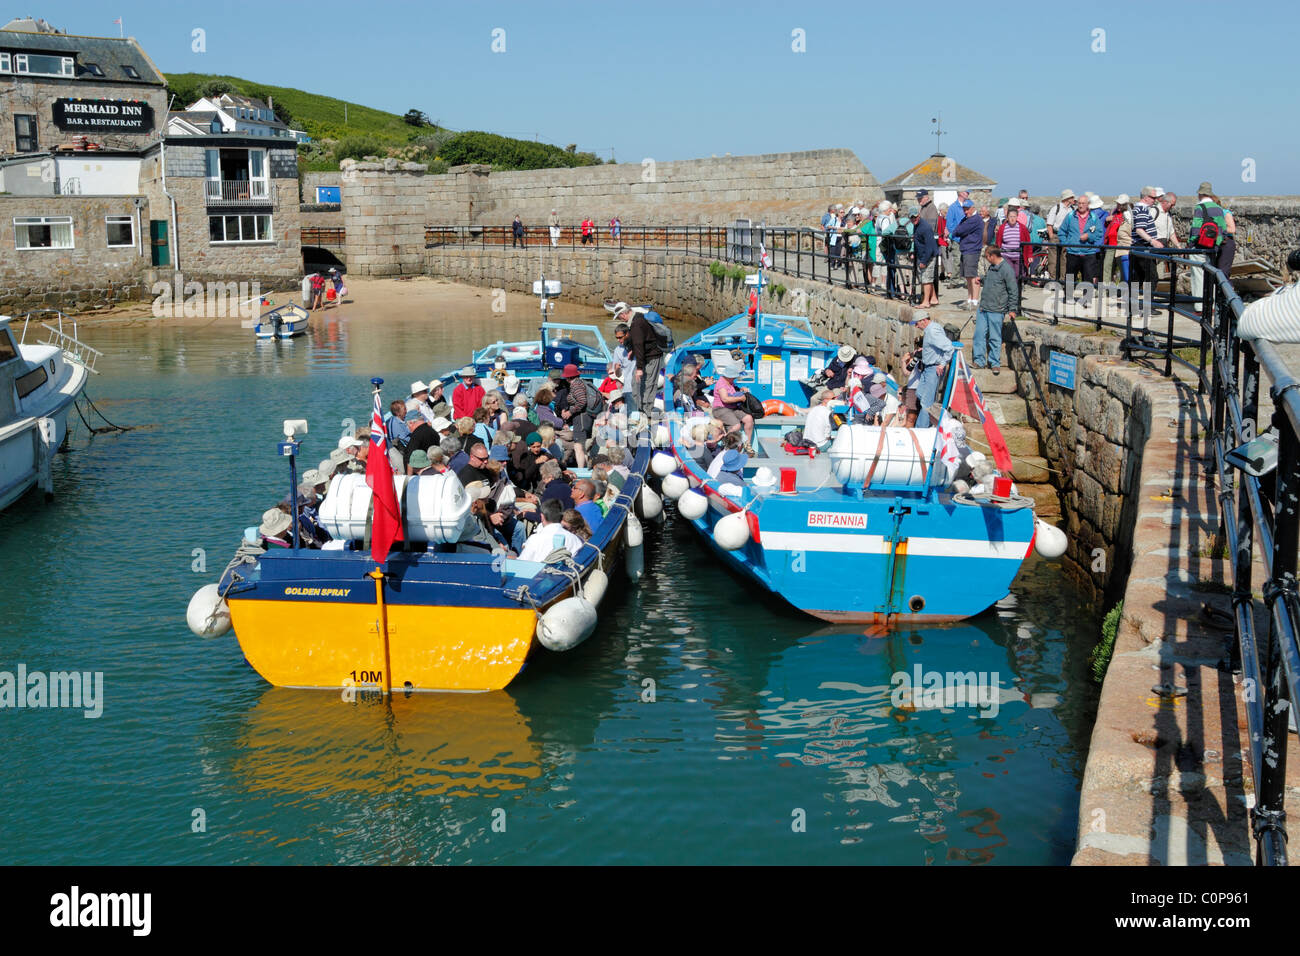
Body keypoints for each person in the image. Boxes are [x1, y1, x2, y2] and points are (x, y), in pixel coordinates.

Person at [975, 247, 1017, 373]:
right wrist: (981, 279)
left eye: (987, 257)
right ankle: (979, 361)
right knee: (979, 335)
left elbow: (1013, 290)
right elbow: (990, 280)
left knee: (995, 337)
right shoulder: (991, 268)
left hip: (997, 310)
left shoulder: (1006, 269)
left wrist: (1012, 308)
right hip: (984, 308)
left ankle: (995, 363)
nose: (986, 260)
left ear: (992, 256)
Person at [1188, 182, 1229, 304]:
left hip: (1199, 247)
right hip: (1213, 248)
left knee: (1198, 276)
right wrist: (1216, 244)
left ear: (1200, 194)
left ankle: (1200, 306)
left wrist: (1191, 244)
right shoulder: (1218, 208)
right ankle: (1211, 302)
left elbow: (1196, 229)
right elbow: (1223, 228)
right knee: (1211, 275)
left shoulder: (1199, 208)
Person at [912, 312, 954, 429]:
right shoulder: (930, 329)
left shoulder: (932, 331)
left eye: (917, 323)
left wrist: (942, 363)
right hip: (927, 367)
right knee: (919, 393)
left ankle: (921, 429)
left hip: (934, 368)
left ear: (924, 320)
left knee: (926, 403)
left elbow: (949, 348)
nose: (916, 326)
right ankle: (931, 421)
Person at [518, 499, 584, 562]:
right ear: (561, 518)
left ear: (542, 517)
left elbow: (522, 564)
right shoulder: (575, 540)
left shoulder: (535, 539)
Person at [1058, 193, 1104, 283]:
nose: (1081, 205)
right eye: (1079, 203)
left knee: (1088, 282)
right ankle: (1068, 297)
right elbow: (1062, 232)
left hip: (1089, 254)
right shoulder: (1070, 216)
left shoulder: (1094, 218)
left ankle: (1087, 297)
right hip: (1072, 253)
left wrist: (1089, 236)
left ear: (1088, 204)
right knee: (1070, 281)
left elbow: (1099, 233)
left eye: (1083, 203)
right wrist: (1067, 245)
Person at [628, 307, 663, 413]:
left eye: (620, 316)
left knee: (649, 384)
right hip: (645, 356)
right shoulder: (638, 319)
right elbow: (640, 341)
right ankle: (637, 409)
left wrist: (639, 368)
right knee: (637, 383)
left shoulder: (636, 324)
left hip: (653, 356)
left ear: (624, 314)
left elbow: (639, 344)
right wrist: (633, 351)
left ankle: (647, 411)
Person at [952, 200, 985, 309]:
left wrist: (957, 230)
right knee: (968, 277)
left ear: (972, 208)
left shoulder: (974, 220)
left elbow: (959, 231)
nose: (965, 211)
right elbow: (957, 230)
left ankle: (975, 301)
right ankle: (970, 299)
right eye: (964, 209)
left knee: (973, 277)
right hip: (967, 249)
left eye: (967, 209)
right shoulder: (967, 219)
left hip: (972, 250)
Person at [558, 363, 592, 468]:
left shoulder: (575, 385)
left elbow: (582, 401)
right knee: (583, 446)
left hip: (581, 419)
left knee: (578, 446)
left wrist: (570, 412)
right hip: (585, 418)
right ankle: (586, 468)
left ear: (568, 377)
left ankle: (581, 470)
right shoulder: (581, 383)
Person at [711, 362, 754, 443]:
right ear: (729, 376)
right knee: (736, 425)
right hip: (720, 409)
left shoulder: (730, 382)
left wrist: (741, 390)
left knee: (749, 419)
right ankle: (724, 440)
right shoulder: (721, 383)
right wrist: (740, 398)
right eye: (734, 377)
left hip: (732, 408)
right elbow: (725, 399)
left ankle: (747, 444)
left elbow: (733, 391)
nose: (735, 378)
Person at [995, 197, 1033, 284]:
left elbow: (1028, 242)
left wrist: (1029, 255)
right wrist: (997, 254)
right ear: (1007, 217)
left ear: (1017, 217)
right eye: (1010, 216)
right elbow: (998, 242)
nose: (1012, 218)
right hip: (1006, 254)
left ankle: (1016, 293)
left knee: (1018, 275)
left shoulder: (1022, 228)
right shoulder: (1002, 228)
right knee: (1009, 274)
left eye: (1014, 216)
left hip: (1018, 255)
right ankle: (1010, 293)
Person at [909, 206, 939, 308]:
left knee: (926, 279)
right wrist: (914, 253)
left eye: (915, 217)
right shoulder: (916, 225)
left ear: (919, 215)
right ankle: (933, 298)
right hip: (922, 254)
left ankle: (926, 302)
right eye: (911, 218)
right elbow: (918, 241)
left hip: (928, 256)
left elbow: (930, 247)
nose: (913, 219)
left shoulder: (925, 227)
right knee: (926, 278)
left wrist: (924, 261)